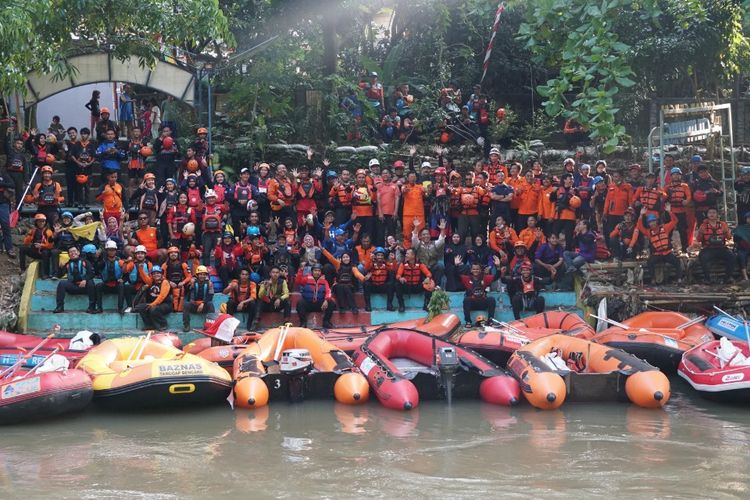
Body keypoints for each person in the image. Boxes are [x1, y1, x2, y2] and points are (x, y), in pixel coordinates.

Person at [632, 207, 681, 284]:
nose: (652, 223)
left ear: (657, 221)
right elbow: (640, 227)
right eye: (650, 222)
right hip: (657, 254)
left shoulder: (665, 228)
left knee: (677, 261)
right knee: (650, 262)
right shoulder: (648, 232)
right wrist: (641, 215)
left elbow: (675, 221)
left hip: (667, 253)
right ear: (648, 224)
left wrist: (669, 212)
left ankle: (679, 279)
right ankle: (653, 279)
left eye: (653, 221)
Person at [53, 246, 98, 314]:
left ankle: (92, 307)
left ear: (78, 252)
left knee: (91, 282)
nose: (72, 253)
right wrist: (60, 268)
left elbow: (91, 274)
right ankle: (60, 307)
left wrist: (85, 280)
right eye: (70, 252)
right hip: (73, 287)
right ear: (69, 255)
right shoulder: (68, 264)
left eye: (74, 251)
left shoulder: (85, 262)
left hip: (84, 287)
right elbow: (59, 275)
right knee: (61, 283)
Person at [696, 207, 734, 284]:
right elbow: (699, 239)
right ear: (707, 215)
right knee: (702, 257)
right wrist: (700, 233)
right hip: (708, 248)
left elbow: (729, 237)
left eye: (714, 213)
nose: (712, 214)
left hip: (721, 248)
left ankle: (727, 278)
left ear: (717, 215)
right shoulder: (703, 225)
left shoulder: (723, 224)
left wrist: (727, 232)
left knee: (732, 256)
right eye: (710, 213)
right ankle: (707, 279)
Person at [321, 248, 365, 313]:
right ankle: (342, 308)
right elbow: (331, 258)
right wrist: (323, 250)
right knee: (339, 287)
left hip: (349, 285)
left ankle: (353, 307)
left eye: (347, 257)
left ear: (350, 258)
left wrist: (364, 278)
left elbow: (357, 274)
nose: (345, 258)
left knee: (346, 287)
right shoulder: (338, 265)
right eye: (344, 257)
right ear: (341, 259)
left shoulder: (353, 267)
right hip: (339, 285)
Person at [458, 261, 498, 328]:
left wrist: (498, 267)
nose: (475, 271)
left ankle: (490, 321)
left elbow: (496, 277)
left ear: (480, 270)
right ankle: (468, 321)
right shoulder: (466, 278)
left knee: (491, 299)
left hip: (482, 302)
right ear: (471, 270)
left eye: (477, 269)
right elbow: (456, 276)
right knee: (466, 300)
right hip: (472, 304)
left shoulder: (485, 278)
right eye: (474, 269)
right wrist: (456, 266)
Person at [133, 265, 172, 330]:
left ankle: (163, 324)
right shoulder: (151, 282)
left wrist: (153, 304)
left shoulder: (165, 282)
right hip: (154, 303)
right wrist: (140, 269)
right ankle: (149, 325)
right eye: (154, 273)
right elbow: (144, 278)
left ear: (161, 274)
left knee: (153, 309)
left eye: (158, 273)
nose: (156, 275)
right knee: (140, 307)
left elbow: (162, 296)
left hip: (166, 305)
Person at [297, 264, 335, 328]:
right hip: (308, 304)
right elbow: (298, 281)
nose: (317, 272)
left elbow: (328, 291)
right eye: (315, 270)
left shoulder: (324, 281)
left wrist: (326, 300)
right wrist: (301, 270)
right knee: (300, 303)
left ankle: (326, 321)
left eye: (319, 271)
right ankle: (303, 322)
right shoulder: (306, 279)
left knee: (331, 303)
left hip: (320, 305)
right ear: (312, 271)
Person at [396, 248, 433, 312]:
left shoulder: (420, 264)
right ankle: (401, 305)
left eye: (407, 254)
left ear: (413, 256)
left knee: (429, 284)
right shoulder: (403, 264)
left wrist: (428, 278)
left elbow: (428, 273)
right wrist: (400, 278)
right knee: (397, 284)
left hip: (417, 287)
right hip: (407, 286)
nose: (406, 255)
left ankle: (426, 305)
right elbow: (398, 275)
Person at [411, 219, 446, 286]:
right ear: (420, 236)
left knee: (440, 266)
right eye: (424, 234)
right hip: (422, 268)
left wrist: (442, 229)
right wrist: (416, 227)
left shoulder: (434, 243)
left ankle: (436, 286)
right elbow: (414, 238)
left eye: (427, 234)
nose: (426, 236)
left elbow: (441, 240)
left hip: (433, 267)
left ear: (430, 236)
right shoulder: (418, 244)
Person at [665, 167, 692, 253]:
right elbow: (663, 196)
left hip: (681, 211)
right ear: (671, 176)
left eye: (677, 174)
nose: (676, 176)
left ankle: (685, 248)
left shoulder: (684, 186)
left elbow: (689, 196)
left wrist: (686, 201)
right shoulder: (667, 187)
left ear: (680, 176)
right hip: (670, 212)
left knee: (683, 231)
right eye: (674, 174)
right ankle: (667, 248)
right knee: (668, 231)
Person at [95, 240, 126, 314]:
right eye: (109, 250)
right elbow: (97, 269)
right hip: (106, 285)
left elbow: (126, 273)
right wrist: (98, 259)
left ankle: (120, 308)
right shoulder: (103, 261)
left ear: (116, 251)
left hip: (116, 285)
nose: (111, 252)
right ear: (106, 251)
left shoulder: (120, 261)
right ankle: (99, 308)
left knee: (122, 285)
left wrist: (123, 279)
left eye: (113, 250)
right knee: (98, 286)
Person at [19, 213, 53, 277]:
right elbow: (26, 243)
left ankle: (45, 273)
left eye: (43, 221)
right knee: (22, 248)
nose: (41, 223)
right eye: (39, 221)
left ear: (45, 222)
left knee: (45, 252)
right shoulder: (33, 231)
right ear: (36, 222)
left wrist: (42, 245)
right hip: (35, 251)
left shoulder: (49, 232)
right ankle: (22, 269)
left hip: (45, 252)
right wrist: (30, 235)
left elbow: (51, 246)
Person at [182, 266, 215, 332]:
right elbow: (186, 291)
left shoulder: (210, 283)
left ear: (206, 275)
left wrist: (203, 303)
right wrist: (189, 285)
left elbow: (210, 296)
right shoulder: (193, 282)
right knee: (186, 305)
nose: (202, 276)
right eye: (200, 274)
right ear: (197, 275)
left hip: (204, 305)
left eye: (204, 274)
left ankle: (209, 326)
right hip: (194, 305)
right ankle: (186, 325)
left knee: (211, 305)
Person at [362, 247, 395, 311]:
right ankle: (368, 305)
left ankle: (389, 305)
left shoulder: (386, 265)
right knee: (366, 284)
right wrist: (370, 259)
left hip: (383, 286)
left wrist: (392, 261)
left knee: (391, 284)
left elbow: (393, 269)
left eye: (382, 255)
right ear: (375, 256)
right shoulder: (371, 264)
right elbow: (366, 268)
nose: (380, 257)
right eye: (378, 255)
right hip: (373, 286)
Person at [401, 170, 426, 248]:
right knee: (407, 235)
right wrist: (404, 190)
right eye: (411, 177)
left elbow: (426, 193)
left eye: (414, 177)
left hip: (419, 215)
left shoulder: (420, 187)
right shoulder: (405, 186)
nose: (412, 178)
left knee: (420, 235)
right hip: (407, 215)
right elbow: (403, 190)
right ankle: (407, 253)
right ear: (407, 178)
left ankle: (420, 254)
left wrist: (426, 191)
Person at [5, 133, 29, 200]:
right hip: (10, 174)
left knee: (19, 193)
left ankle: (19, 209)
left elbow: (25, 169)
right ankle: (9, 208)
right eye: (18, 143)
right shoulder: (10, 152)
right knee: (9, 192)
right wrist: (7, 135)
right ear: (14, 144)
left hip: (19, 175)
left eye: (21, 144)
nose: (19, 145)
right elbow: (6, 145)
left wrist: (26, 180)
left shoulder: (23, 156)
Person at [0, 170, 15, 258]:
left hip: (3, 203)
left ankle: (9, 248)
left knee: (6, 225)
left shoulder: (3, 174)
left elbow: (12, 184)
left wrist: (2, 184)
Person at [733, 211, 750, 282]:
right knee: (742, 256)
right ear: (746, 219)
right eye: (749, 218)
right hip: (744, 248)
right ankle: (745, 276)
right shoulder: (740, 228)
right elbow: (735, 240)